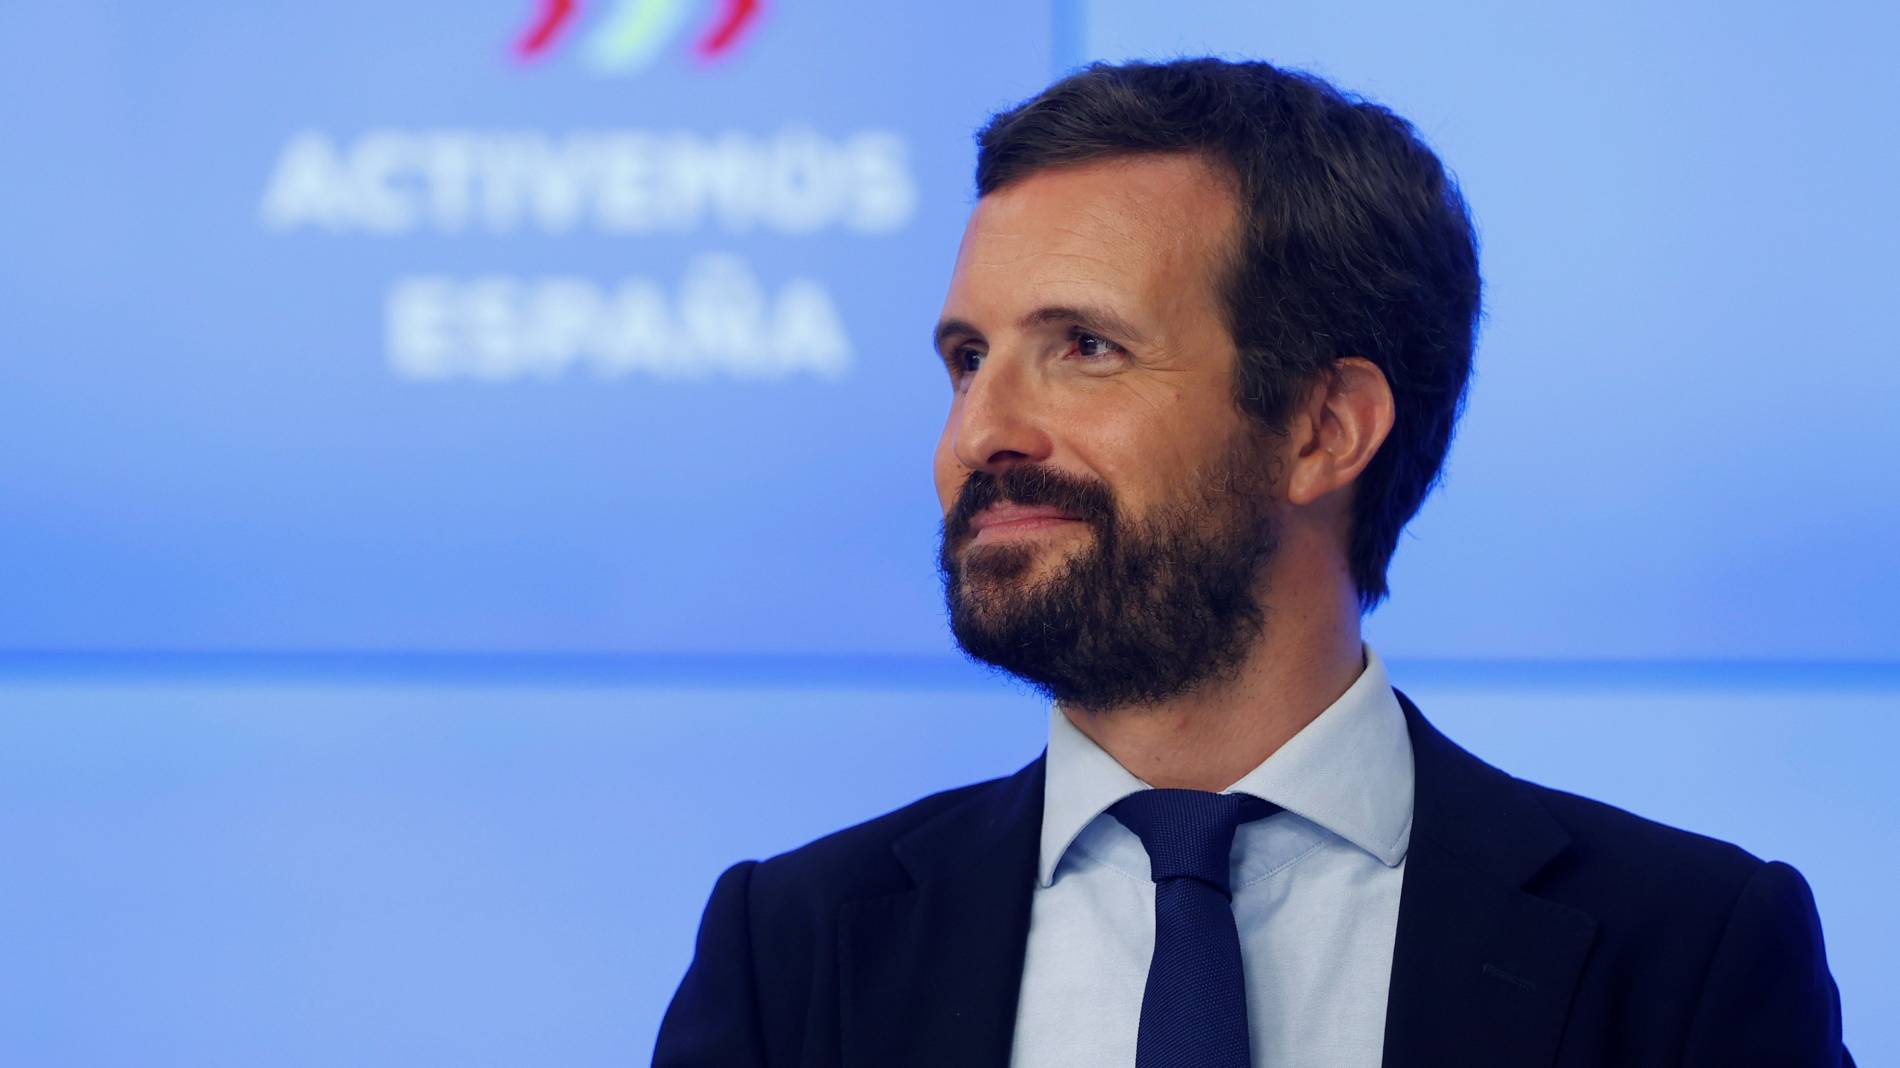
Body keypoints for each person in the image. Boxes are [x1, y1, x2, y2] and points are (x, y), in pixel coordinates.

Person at [653, 57, 1851, 1067]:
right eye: (968, 360)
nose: (978, 434)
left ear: (1323, 429)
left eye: (1085, 346)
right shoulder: (793, 949)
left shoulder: (1686, 952)